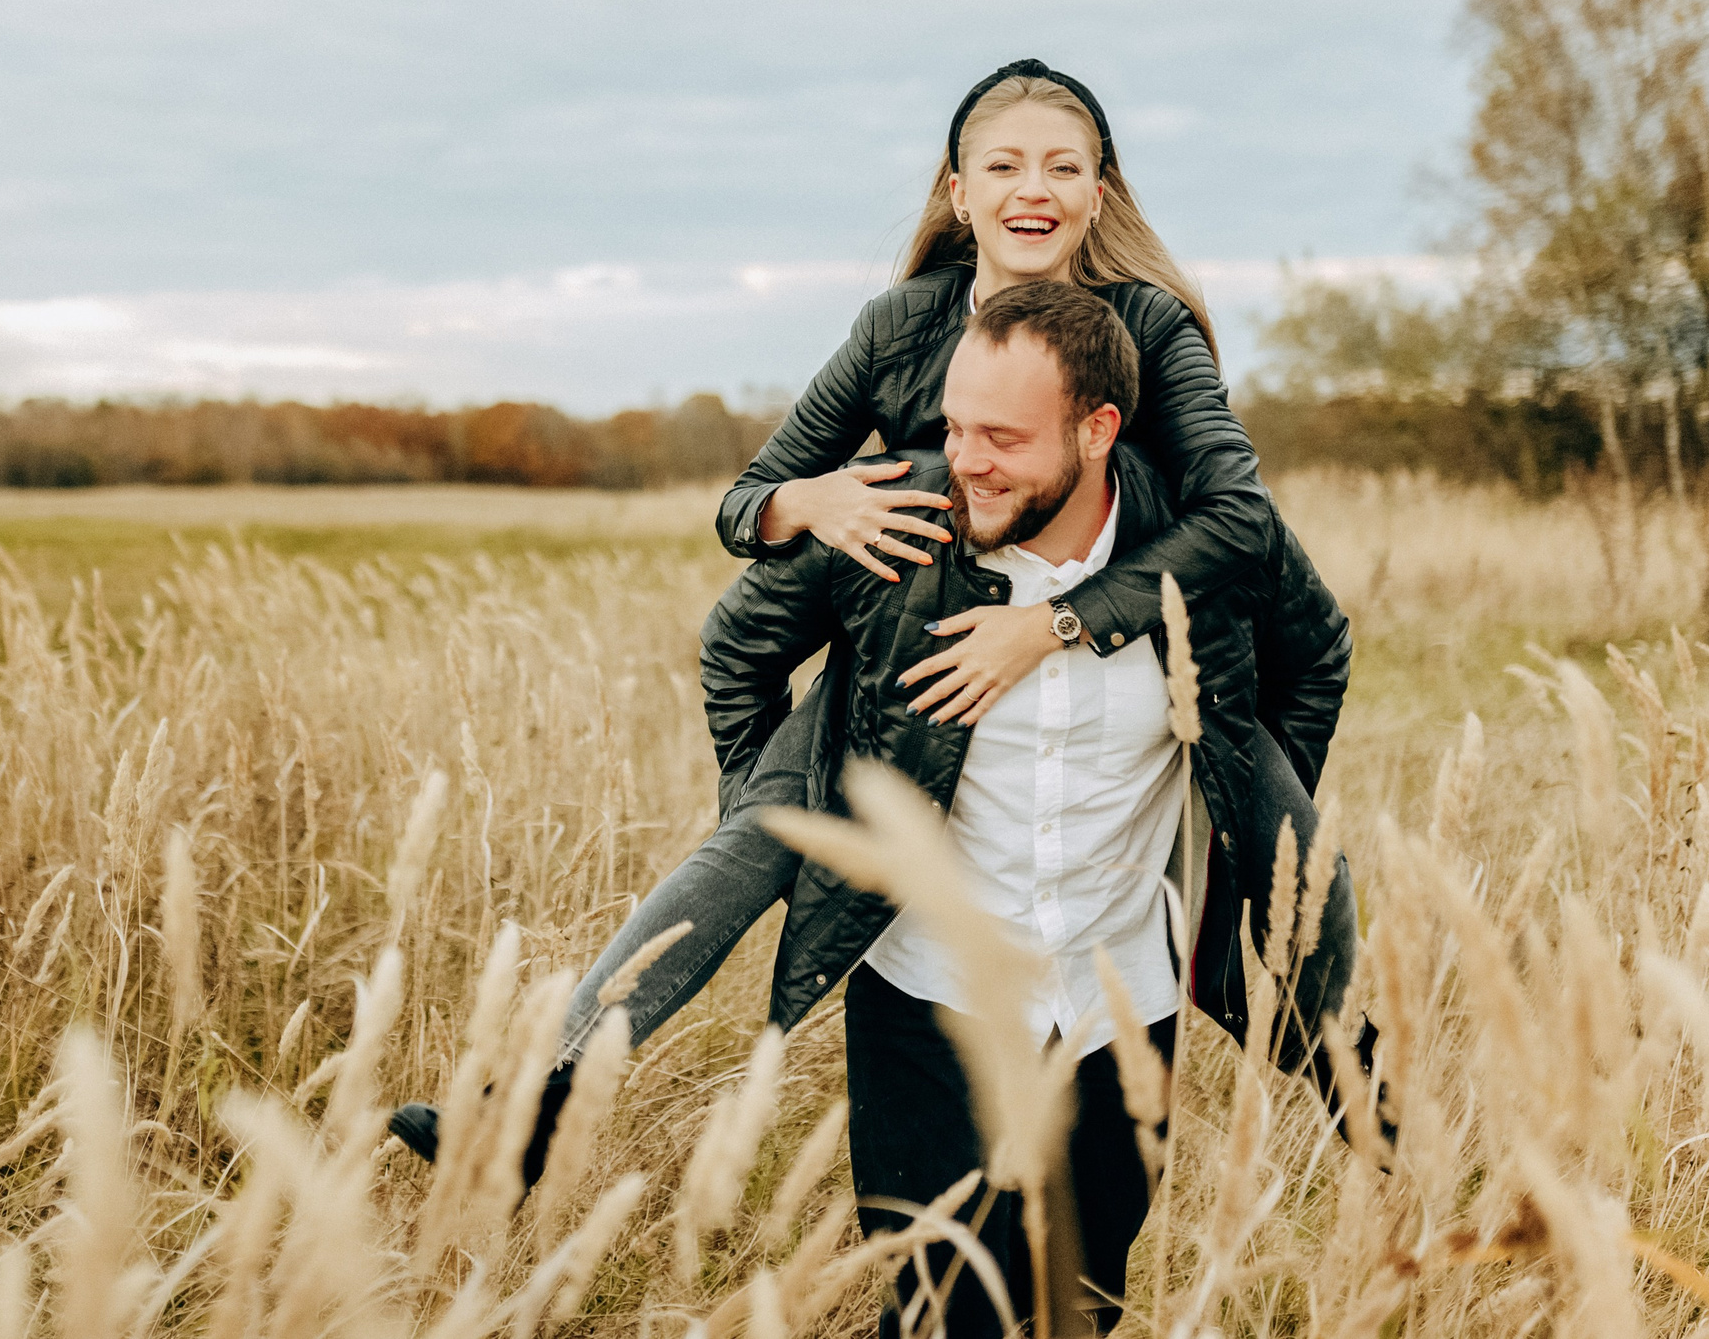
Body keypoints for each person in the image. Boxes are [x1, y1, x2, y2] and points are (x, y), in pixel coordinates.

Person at [387, 60, 1357, 1188]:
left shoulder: (1145, 326)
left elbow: (1238, 517)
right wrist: (811, 500)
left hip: (1124, 625)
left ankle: (1342, 1066)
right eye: (1003, 164)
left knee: (1282, 833)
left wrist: (1056, 628)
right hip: (902, 646)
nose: (1030, 187)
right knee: (759, 833)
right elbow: (745, 502)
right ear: (958, 190)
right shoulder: (899, 325)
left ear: (1102, 192)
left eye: (1062, 165)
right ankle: (541, 1096)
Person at [712, 282, 1345, 1334]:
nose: (963, 458)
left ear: (1098, 430)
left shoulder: (1200, 560)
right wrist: (772, 823)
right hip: (929, 992)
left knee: (1080, 1302)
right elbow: (735, 652)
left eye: (1001, 435)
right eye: (955, 425)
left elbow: (1316, 655)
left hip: (1119, 1003)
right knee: (945, 1308)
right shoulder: (899, 526)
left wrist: (1254, 826)